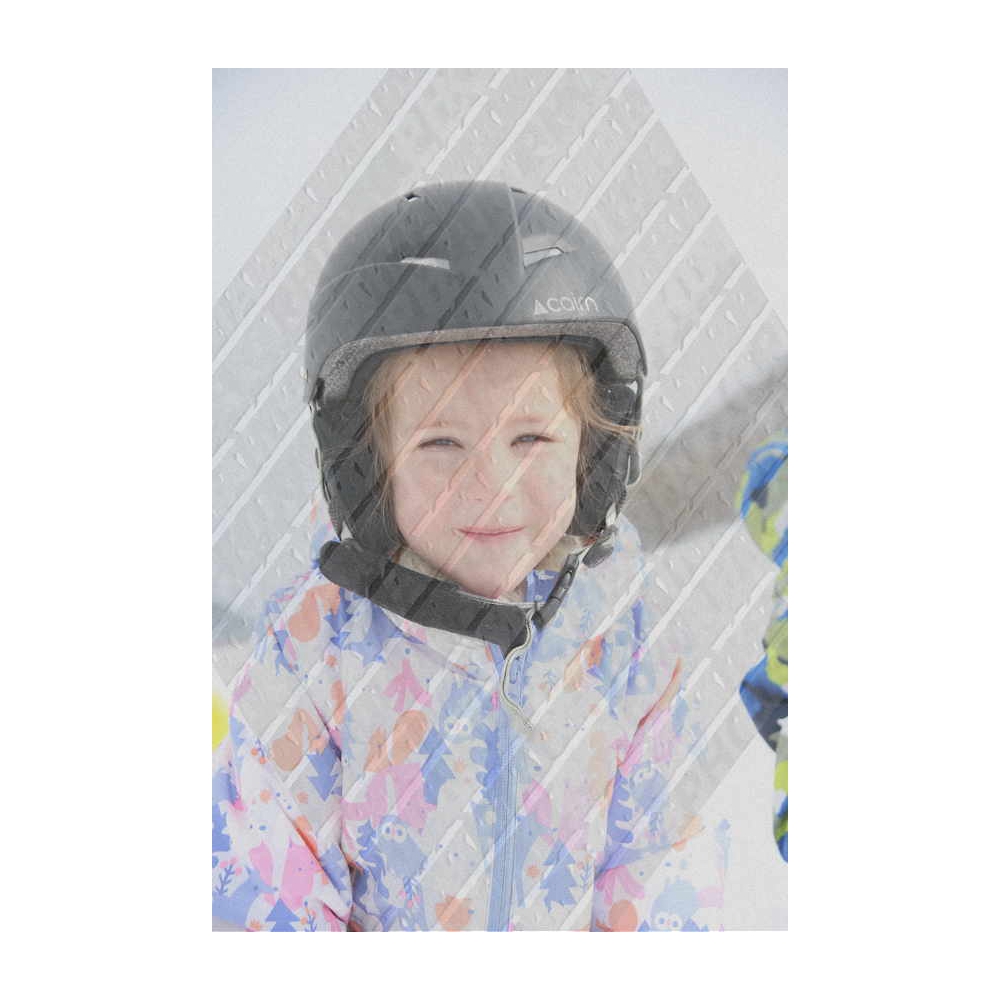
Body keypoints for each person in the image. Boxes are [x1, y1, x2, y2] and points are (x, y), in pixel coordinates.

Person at [212, 180, 728, 931]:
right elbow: (268, 897)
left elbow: (662, 874)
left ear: (593, 455)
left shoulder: (632, 639)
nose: (492, 487)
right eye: (441, 444)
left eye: (531, 438)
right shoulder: (311, 655)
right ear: (366, 468)